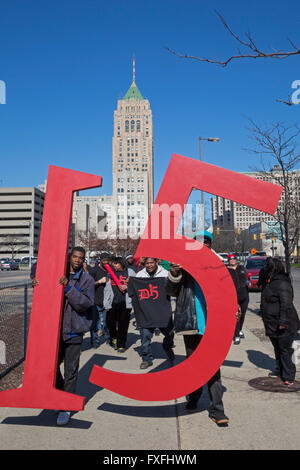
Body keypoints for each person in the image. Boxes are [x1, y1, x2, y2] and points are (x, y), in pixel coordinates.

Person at [166, 231, 230, 426]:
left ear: (210, 246)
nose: (203, 246)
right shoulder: (185, 268)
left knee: (213, 368)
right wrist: (175, 273)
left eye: (206, 243)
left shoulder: (218, 268)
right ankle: (193, 398)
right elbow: (170, 291)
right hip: (191, 325)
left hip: (214, 326)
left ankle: (217, 410)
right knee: (194, 366)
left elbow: (229, 295)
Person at [260, 257, 300, 386]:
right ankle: (280, 369)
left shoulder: (282, 282)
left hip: (284, 323)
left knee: (285, 349)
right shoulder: (269, 281)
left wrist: (282, 322)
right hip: (271, 322)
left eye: (267, 267)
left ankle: (289, 375)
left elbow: (286, 304)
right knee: (277, 348)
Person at [134, 257, 175, 369]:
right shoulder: (140, 275)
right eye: (147, 263)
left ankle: (167, 348)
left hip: (163, 311)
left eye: (152, 262)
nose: (149, 265)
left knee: (170, 334)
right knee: (145, 336)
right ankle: (146, 359)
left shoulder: (165, 274)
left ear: (156, 262)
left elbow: (173, 289)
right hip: (146, 312)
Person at [104, 257, 135, 352]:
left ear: (121, 263)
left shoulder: (130, 272)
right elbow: (107, 289)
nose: (114, 265)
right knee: (109, 323)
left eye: (116, 264)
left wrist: (127, 286)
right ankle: (114, 337)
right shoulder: (111, 273)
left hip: (125, 303)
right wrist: (106, 303)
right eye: (113, 264)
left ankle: (121, 344)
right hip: (113, 302)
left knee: (123, 324)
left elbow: (137, 286)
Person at [88, 252, 111, 348]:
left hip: (108, 302)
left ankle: (108, 340)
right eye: (104, 260)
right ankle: (95, 342)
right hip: (96, 301)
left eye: (107, 260)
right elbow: (87, 284)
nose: (106, 262)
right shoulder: (94, 270)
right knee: (96, 323)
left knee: (106, 323)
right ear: (100, 261)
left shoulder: (111, 270)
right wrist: (99, 282)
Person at [227, 253, 249, 345]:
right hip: (233, 296)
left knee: (242, 314)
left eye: (234, 258)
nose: (232, 260)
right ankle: (236, 336)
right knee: (236, 316)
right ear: (228, 260)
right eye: (230, 259)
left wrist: (248, 282)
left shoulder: (242, 268)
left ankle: (239, 329)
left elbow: (247, 278)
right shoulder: (226, 270)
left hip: (244, 295)